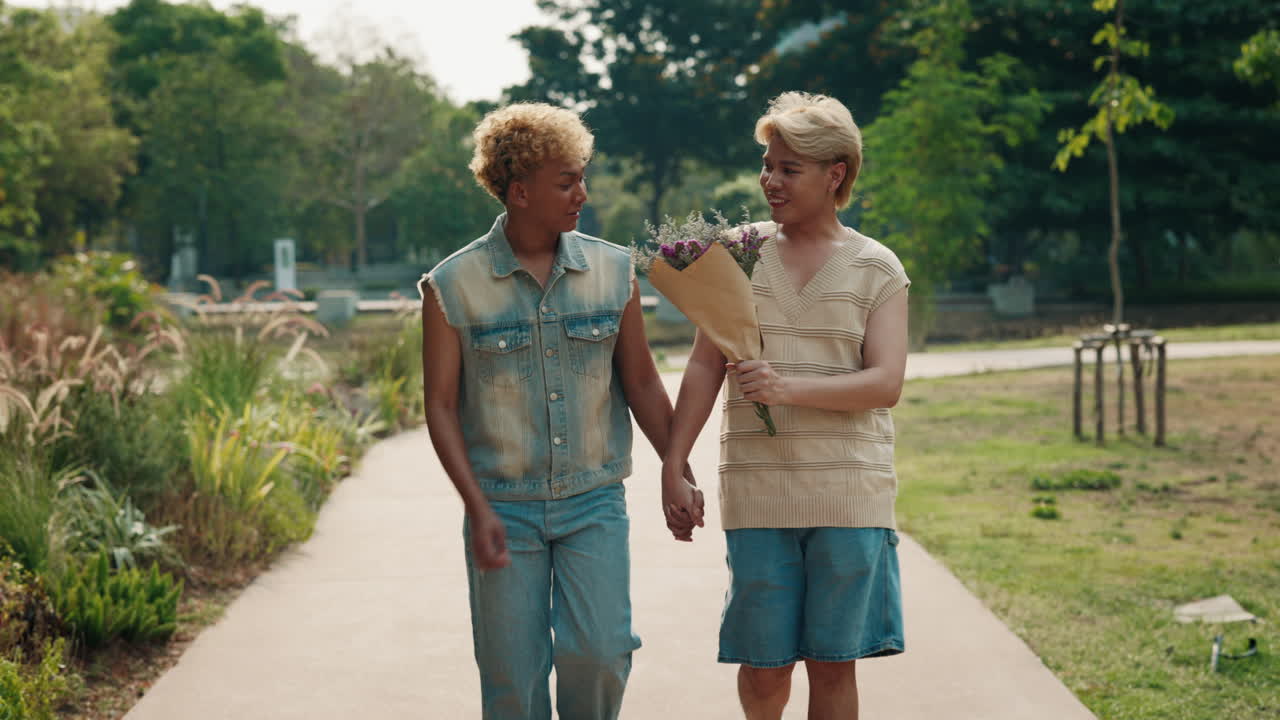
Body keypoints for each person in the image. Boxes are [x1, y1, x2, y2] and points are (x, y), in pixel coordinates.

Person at [419, 102, 701, 720]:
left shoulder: (613, 270)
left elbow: (644, 382)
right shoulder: (452, 285)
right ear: (519, 191)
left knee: (601, 653)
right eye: (566, 181)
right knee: (512, 682)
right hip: (502, 507)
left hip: (593, 501)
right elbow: (439, 407)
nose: (583, 192)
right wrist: (476, 504)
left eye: (582, 176)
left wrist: (675, 464)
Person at [661, 91, 910, 720]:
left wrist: (787, 388)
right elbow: (704, 362)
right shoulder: (737, 254)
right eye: (767, 165)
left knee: (833, 664)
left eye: (788, 168)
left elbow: (885, 383)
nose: (770, 180)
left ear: (836, 174)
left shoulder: (877, 267)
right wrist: (674, 459)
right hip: (758, 489)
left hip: (849, 491)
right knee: (764, 666)